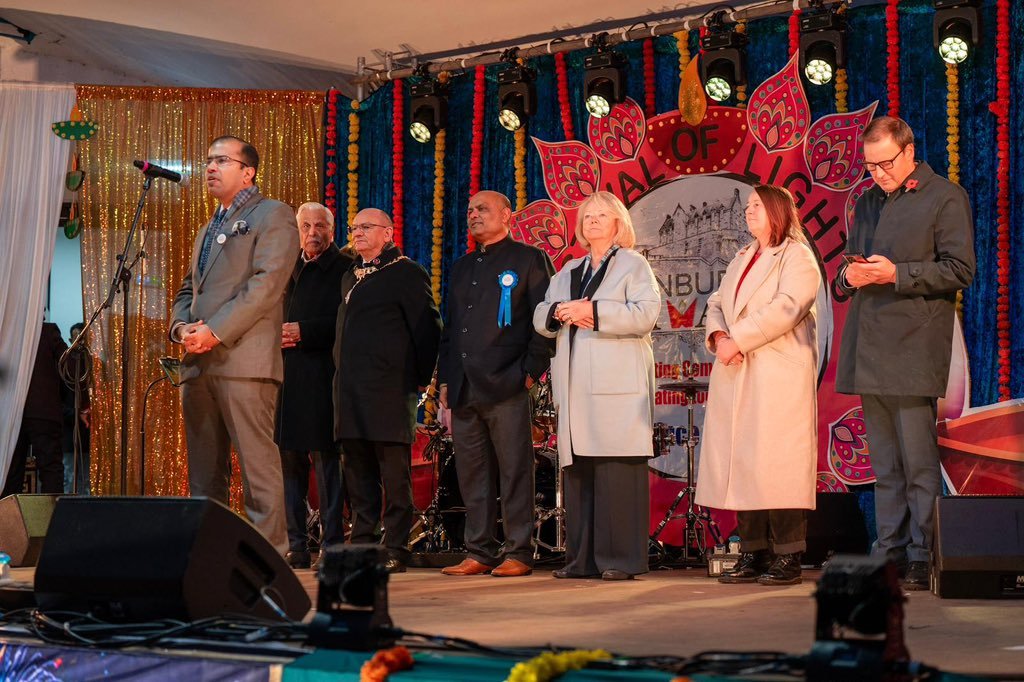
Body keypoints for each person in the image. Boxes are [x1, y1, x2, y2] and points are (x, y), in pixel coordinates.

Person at [833, 116, 975, 590]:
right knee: (884, 465)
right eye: (870, 166)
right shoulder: (868, 202)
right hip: (869, 345)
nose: (878, 174)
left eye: (886, 163)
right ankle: (888, 551)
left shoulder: (944, 196)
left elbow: (959, 270)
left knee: (917, 463)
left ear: (910, 151)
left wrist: (895, 274)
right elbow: (850, 263)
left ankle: (922, 554)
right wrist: (847, 278)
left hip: (914, 347)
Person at [168, 135, 298, 555]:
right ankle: (209, 558)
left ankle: (268, 562)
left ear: (248, 171)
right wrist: (181, 329)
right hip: (198, 363)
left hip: (244, 360)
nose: (210, 167)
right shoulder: (209, 227)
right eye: (208, 160)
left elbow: (266, 285)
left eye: (222, 160)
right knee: (205, 474)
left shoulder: (273, 214)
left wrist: (215, 331)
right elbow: (189, 289)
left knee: (257, 467)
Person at [697, 184, 821, 586]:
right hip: (737, 367)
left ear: (777, 210)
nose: (748, 211)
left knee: (776, 463)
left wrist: (738, 339)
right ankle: (753, 550)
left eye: (756, 205)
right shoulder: (742, 256)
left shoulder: (797, 256)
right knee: (743, 460)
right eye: (747, 206)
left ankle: (787, 557)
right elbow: (716, 303)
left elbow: (787, 307)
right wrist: (718, 337)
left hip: (775, 371)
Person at [533, 191, 660, 580]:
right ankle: (582, 560)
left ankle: (620, 560)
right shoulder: (569, 269)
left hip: (617, 385)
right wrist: (556, 312)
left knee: (616, 471)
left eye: (602, 215)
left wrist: (595, 312)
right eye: (587, 215)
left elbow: (646, 314)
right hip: (575, 386)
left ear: (618, 224)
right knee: (581, 472)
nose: (593, 220)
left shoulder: (633, 265)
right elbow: (541, 314)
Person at [438, 190, 554, 578]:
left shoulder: (528, 259)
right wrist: (445, 380)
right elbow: (451, 329)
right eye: (469, 210)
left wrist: (531, 371)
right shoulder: (462, 266)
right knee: (472, 472)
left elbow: (545, 320)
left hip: (508, 381)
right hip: (465, 386)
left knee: (515, 469)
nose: (473, 215)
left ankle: (519, 551)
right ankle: (479, 550)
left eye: (482, 209)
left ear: (507, 215)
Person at [333, 208, 441, 574]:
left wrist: (421, 378)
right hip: (350, 390)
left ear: (388, 233)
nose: (358, 233)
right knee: (357, 473)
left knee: (395, 474)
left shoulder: (406, 272)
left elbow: (428, 327)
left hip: (390, 388)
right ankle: (363, 544)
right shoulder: (349, 275)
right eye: (354, 228)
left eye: (366, 227)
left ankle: (397, 546)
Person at [276, 202, 352, 569]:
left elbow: (346, 320)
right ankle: (296, 544)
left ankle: (333, 544)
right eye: (305, 225)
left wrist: (305, 331)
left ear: (332, 230)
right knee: (289, 463)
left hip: (324, 375)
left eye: (319, 225)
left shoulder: (345, 267)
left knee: (326, 465)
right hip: (286, 376)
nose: (312, 232)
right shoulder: (286, 265)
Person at [3, 320, 67, 496]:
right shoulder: (48, 331)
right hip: (43, 409)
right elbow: (68, 365)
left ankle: (9, 521)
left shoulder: (7, 331)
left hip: (11, 412)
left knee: (10, 472)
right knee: (50, 470)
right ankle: (51, 520)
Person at [62, 321, 91, 495]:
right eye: (76, 339)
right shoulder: (63, 367)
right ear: (69, 340)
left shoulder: (93, 366)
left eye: (83, 339)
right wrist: (75, 414)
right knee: (70, 478)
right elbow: (58, 402)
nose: (79, 344)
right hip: (68, 434)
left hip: (89, 434)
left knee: (87, 480)